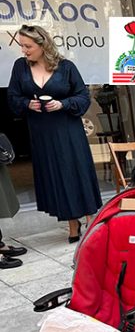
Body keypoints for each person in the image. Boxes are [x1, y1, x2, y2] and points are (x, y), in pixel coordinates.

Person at [7, 25, 102, 243]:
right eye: (21, 45)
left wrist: (63, 104)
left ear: (43, 45)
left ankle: (90, 220)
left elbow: (83, 97)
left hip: (68, 129)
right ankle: (71, 223)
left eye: (28, 46)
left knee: (77, 171)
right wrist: (27, 103)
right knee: (57, 176)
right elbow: (12, 98)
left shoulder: (66, 67)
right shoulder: (20, 67)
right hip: (42, 132)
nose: (23, 50)